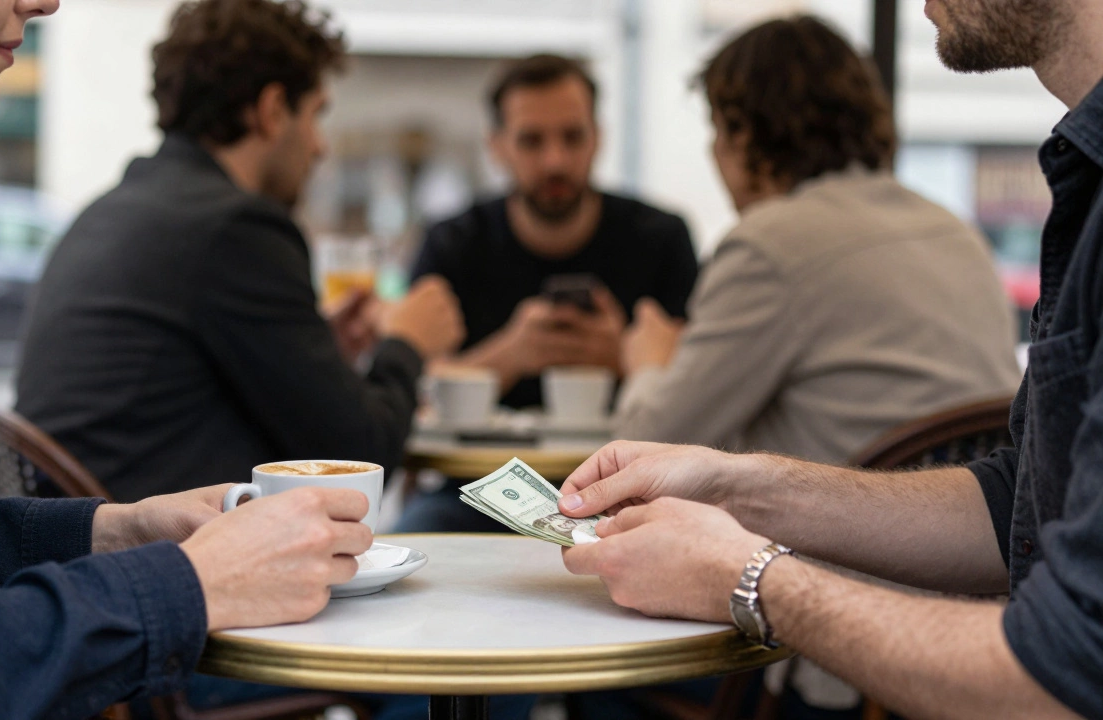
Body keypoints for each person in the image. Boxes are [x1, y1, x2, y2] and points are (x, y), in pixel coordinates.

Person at [0, 0, 374, 717]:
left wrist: (114, 531)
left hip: (73, 626)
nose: (45, 1)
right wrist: (191, 582)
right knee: (431, 662)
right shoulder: (232, 228)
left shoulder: (115, 204)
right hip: (106, 666)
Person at [556, 1, 1103, 716]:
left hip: (871, 673)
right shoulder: (966, 224)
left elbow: (1067, 666)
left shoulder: (771, 245)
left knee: (592, 672)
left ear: (745, 136)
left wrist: (744, 574)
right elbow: (1017, 504)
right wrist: (738, 485)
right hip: (958, 629)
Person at [14, 0, 464, 503]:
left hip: (81, 533)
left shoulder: (118, 207)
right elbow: (359, 454)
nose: (320, 147)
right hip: (166, 550)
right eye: (315, 116)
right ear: (272, 110)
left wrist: (314, 348)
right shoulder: (235, 228)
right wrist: (406, 344)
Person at [613, 16, 1021, 469]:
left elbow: (646, 451)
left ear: (741, 133)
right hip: (981, 526)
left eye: (716, 129)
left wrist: (650, 364)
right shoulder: (953, 230)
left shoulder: (769, 246)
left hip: (843, 530)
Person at [397, 54, 699, 535]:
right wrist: (513, 353)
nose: (554, 160)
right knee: (411, 536)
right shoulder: (453, 241)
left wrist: (622, 356)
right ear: (496, 146)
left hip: (630, 491)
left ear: (598, 138)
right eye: (532, 140)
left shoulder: (660, 238)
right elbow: (406, 385)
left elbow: (707, 387)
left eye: (572, 137)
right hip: (477, 490)